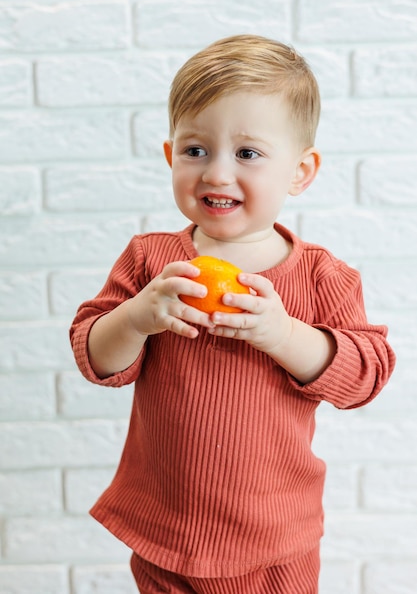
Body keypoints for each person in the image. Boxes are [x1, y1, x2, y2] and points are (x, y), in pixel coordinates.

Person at [70, 34, 396, 594]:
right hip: (166, 526)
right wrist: (137, 317)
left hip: (275, 537)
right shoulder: (152, 260)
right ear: (172, 156)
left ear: (300, 171)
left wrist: (283, 333)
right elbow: (94, 355)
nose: (217, 174)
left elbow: (367, 374)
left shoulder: (322, 276)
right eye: (196, 150)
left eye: (247, 153)